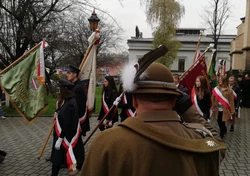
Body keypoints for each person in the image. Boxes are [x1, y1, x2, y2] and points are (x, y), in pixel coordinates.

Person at [81, 62, 226, 176]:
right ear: (176, 100)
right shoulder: (199, 138)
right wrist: (188, 108)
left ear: (134, 101)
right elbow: (218, 145)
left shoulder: (105, 143)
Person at [51, 80, 84, 176]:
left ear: (64, 91)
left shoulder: (70, 105)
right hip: (63, 135)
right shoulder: (67, 101)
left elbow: (67, 124)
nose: (58, 92)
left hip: (65, 137)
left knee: (59, 159)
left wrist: (60, 138)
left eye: (59, 90)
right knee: (58, 160)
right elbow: (61, 110)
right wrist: (56, 113)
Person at [66, 65, 90, 136]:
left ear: (75, 74)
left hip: (76, 120)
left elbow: (78, 107)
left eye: (69, 73)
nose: (67, 75)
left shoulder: (79, 88)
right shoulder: (71, 86)